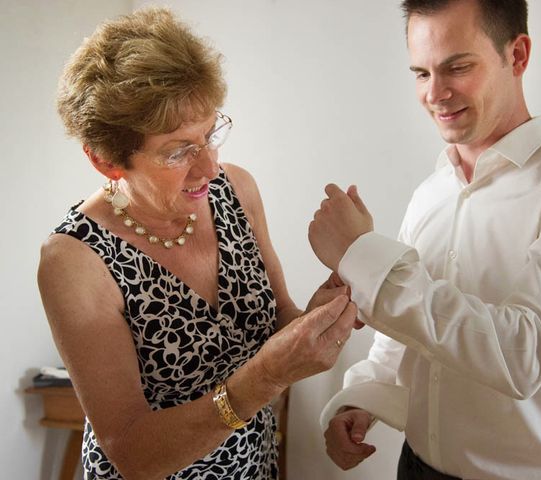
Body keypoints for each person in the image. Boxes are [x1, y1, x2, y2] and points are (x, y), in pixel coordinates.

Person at [309, 0, 541, 479]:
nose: (435, 93)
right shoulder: (430, 194)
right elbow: (403, 337)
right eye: (421, 73)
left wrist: (364, 256)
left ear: (517, 55)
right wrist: (360, 400)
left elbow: (523, 354)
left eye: (457, 67)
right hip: (414, 467)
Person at [38, 7, 358, 480]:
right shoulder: (75, 260)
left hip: (254, 467)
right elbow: (131, 453)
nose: (209, 168)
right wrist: (265, 378)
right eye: (179, 150)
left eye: (210, 135)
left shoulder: (236, 190)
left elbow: (276, 321)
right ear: (106, 161)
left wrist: (314, 319)